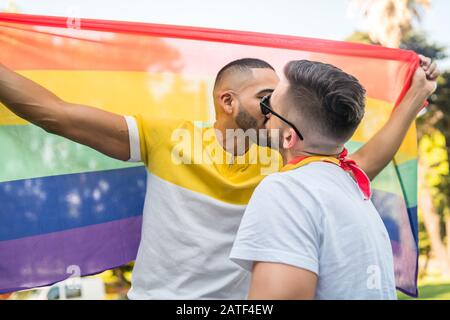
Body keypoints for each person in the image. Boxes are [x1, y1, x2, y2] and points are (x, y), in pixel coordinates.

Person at [0, 54, 437, 299]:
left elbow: (360, 167)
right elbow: (56, 115)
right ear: (227, 101)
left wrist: (414, 97)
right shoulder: (166, 137)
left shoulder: (289, 160)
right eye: (267, 97)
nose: (275, 108)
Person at [230, 59, 439, 300]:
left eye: (269, 106)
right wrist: (418, 92)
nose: (263, 114)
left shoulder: (286, 191)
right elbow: (371, 158)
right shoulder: (348, 184)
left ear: (289, 137)